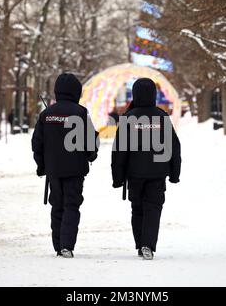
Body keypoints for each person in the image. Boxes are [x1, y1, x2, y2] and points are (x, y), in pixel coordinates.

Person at [111, 78, 181, 260]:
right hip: (158, 173)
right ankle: (147, 244)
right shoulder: (162, 117)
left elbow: (119, 151)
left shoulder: (128, 118)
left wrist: (117, 177)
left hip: (134, 174)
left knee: (137, 208)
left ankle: (140, 244)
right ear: (153, 95)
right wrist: (174, 173)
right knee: (153, 208)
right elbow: (174, 147)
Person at [32, 73, 99, 258]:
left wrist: (41, 165)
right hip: (76, 169)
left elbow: (37, 143)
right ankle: (67, 246)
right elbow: (91, 140)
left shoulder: (46, 114)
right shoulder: (80, 113)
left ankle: (57, 245)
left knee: (57, 205)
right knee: (72, 205)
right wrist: (91, 156)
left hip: (54, 170)